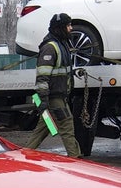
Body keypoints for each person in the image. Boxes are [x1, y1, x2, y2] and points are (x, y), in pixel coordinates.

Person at [24, 13, 81, 158]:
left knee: (43, 128)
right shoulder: (50, 47)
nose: (71, 28)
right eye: (68, 25)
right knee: (67, 127)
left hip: (57, 96)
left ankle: (26, 154)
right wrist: (43, 100)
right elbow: (42, 76)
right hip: (53, 98)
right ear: (60, 28)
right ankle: (75, 159)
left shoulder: (61, 45)